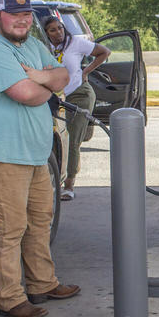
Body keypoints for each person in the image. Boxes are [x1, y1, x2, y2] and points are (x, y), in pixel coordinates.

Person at [0, 0, 80, 317]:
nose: (22, 20)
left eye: (26, 14)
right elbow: (26, 93)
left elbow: (64, 75)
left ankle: (42, 282)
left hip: (33, 153)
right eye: (14, 15)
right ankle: (10, 298)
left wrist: (44, 77)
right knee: (9, 228)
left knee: (40, 221)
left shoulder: (30, 43)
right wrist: (46, 84)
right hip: (1, 154)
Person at [42, 16, 111, 201]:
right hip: (56, 97)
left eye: (60, 28)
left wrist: (86, 71)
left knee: (72, 138)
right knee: (52, 138)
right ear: (46, 33)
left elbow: (105, 52)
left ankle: (69, 185)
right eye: (53, 30)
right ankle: (49, 180)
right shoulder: (45, 49)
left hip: (80, 95)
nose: (58, 33)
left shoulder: (75, 43)